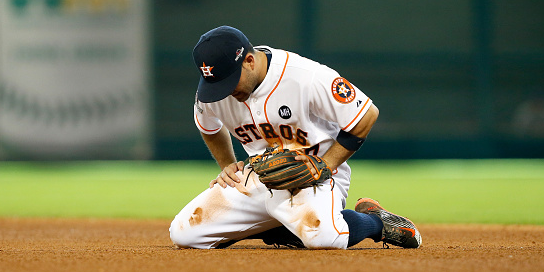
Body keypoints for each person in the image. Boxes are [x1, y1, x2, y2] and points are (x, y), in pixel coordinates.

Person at [169, 26, 421, 249]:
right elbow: (207, 125)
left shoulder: (304, 76)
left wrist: (326, 165)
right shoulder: (216, 89)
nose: (227, 91)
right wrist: (227, 165)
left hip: (315, 176)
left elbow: (366, 114)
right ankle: (280, 224)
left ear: (249, 60)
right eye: (218, 84)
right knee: (185, 234)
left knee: (323, 238)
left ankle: (376, 222)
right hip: (259, 175)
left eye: (230, 81)